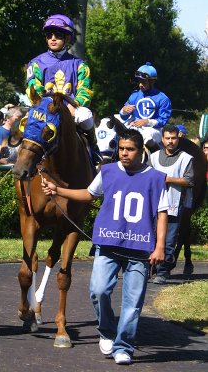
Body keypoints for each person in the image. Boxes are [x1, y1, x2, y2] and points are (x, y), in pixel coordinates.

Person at [41, 129, 168, 365]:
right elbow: (89, 194)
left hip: (140, 250)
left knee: (133, 303)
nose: (124, 153)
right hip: (107, 243)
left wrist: (160, 246)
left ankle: (124, 346)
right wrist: (58, 190)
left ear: (141, 151)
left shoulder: (156, 178)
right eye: (121, 149)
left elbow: (162, 214)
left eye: (130, 149)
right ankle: (107, 332)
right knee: (98, 291)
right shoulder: (107, 171)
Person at [26, 14, 100, 163]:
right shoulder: (35, 63)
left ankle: (94, 150)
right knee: (25, 121)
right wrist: (47, 107)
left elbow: (84, 91)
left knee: (85, 116)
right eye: (49, 34)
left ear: (67, 38)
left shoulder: (80, 64)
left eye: (58, 35)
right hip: (45, 110)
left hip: (71, 111)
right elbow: (33, 89)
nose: (53, 38)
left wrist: (75, 106)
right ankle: (20, 162)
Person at [149, 124, 194, 284]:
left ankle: (163, 271)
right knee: (151, 238)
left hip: (175, 204)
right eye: (167, 138)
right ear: (162, 139)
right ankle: (149, 268)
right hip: (154, 204)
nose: (170, 141)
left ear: (178, 139)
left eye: (173, 138)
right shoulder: (153, 157)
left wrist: (168, 179)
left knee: (168, 241)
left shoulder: (186, 158)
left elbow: (189, 180)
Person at [119, 62, 171, 150]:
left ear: (152, 82)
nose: (140, 85)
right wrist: (123, 110)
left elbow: (163, 120)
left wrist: (147, 122)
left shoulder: (163, 98)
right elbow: (123, 117)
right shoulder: (134, 95)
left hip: (154, 130)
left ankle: (158, 159)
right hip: (134, 128)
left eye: (143, 82)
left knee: (145, 137)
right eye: (139, 82)